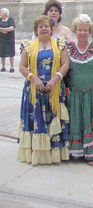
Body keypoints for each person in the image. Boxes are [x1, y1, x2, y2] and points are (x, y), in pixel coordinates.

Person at [17, 15, 70, 165]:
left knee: (52, 117)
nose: (44, 29)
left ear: (51, 28)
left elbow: (65, 64)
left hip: (54, 88)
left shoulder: (60, 44)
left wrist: (55, 79)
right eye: (40, 27)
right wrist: (34, 78)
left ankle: (53, 153)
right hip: (34, 89)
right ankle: (37, 152)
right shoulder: (28, 46)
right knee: (36, 118)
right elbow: (22, 67)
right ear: (36, 30)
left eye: (46, 26)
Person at [66, 14, 93, 159]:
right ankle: (77, 152)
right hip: (75, 92)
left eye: (85, 30)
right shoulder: (68, 48)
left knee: (91, 119)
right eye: (80, 30)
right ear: (75, 31)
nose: (83, 33)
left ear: (90, 31)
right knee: (76, 120)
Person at [0, 8, 15, 72]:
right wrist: (4, 30)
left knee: (11, 53)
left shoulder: (10, 19)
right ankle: (3, 67)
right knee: (2, 53)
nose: (0, 14)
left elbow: (11, 28)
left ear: (6, 13)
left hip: (9, 39)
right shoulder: (0, 20)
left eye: (1, 12)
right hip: (2, 39)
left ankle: (12, 67)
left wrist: (2, 29)